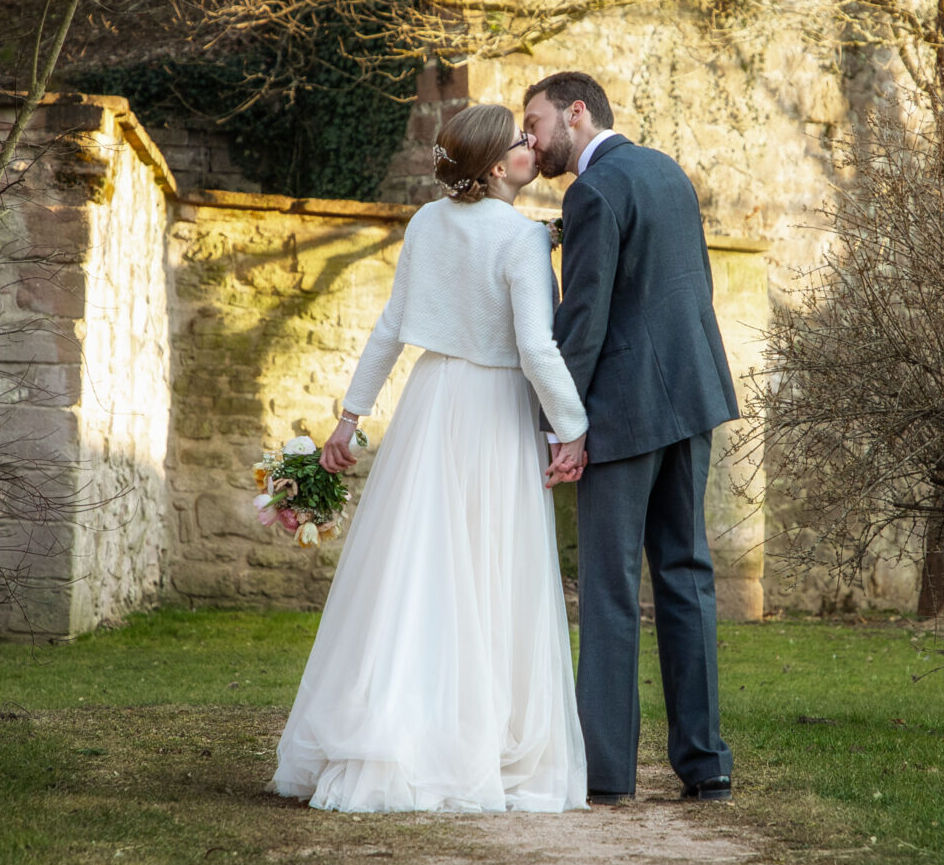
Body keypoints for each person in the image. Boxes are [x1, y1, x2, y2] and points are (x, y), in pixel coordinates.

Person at [270, 103, 591, 813]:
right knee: (487, 568)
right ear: (494, 165)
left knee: (419, 568)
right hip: (495, 411)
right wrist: (574, 426)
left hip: (431, 400)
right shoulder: (522, 240)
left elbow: (391, 328)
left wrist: (348, 419)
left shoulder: (425, 223)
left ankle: (399, 721)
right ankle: (470, 738)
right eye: (519, 142)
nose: (531, 146)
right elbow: (538, 349)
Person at [523, 71, 739, 805]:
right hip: (692, 396)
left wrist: (561, 424)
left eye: (538, 121)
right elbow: (690, 287)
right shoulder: (667, 171)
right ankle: (705, 762)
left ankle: (606, 771)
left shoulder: (592, 191)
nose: (532, 138)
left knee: (612, 589)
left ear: (576, 113)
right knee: (687, 575)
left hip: (623, 411)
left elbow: (582, 322)